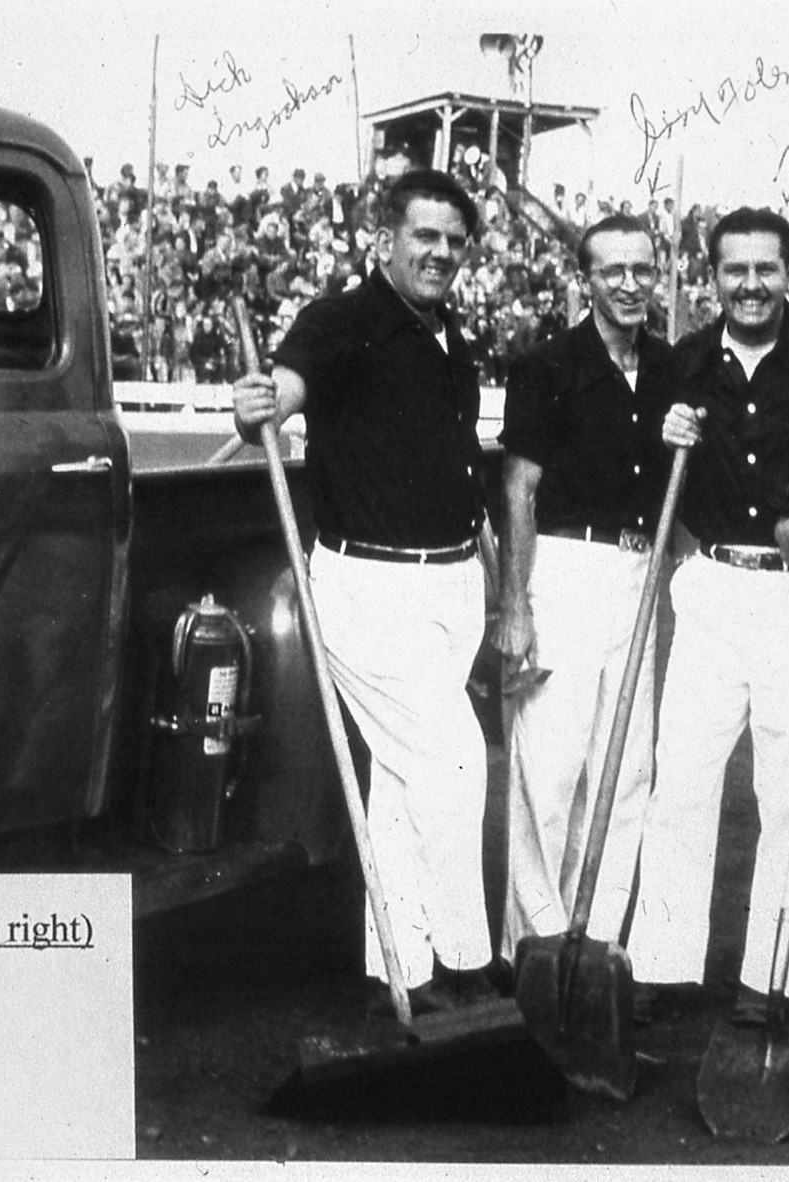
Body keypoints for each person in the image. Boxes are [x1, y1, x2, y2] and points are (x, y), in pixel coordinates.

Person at [232, 169, 498, 1016]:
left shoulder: (450, 335)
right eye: (426, 236)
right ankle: (466, 963)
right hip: (370, 586)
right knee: (455, 764)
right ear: (385, 240)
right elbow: (285, 390)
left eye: (455, 242)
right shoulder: (340, 319)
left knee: (403, 777)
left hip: (452, 583)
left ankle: (402, 971)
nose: (441, 253)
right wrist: (262, 403)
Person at [627, 207, 789, 1025]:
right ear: (713, 276)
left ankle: (775, 976)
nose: (751, 285)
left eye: (767, 269)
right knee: (682, 779)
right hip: (713, 582)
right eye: (736, 270)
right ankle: (660, 962)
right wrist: (665, 433)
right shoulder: (684, 362)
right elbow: (648, 469)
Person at [494, 215, 679, 964]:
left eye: (642, 270)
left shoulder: (670, 368)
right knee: (550, 770)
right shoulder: (547, 366)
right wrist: (515, 605)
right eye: (613, 271)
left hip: (641, 573)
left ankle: (595, 945)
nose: (630, 285)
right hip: (565, 569)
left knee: (625, 770)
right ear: (587, 280)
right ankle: (535, 948)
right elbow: (519, 489)